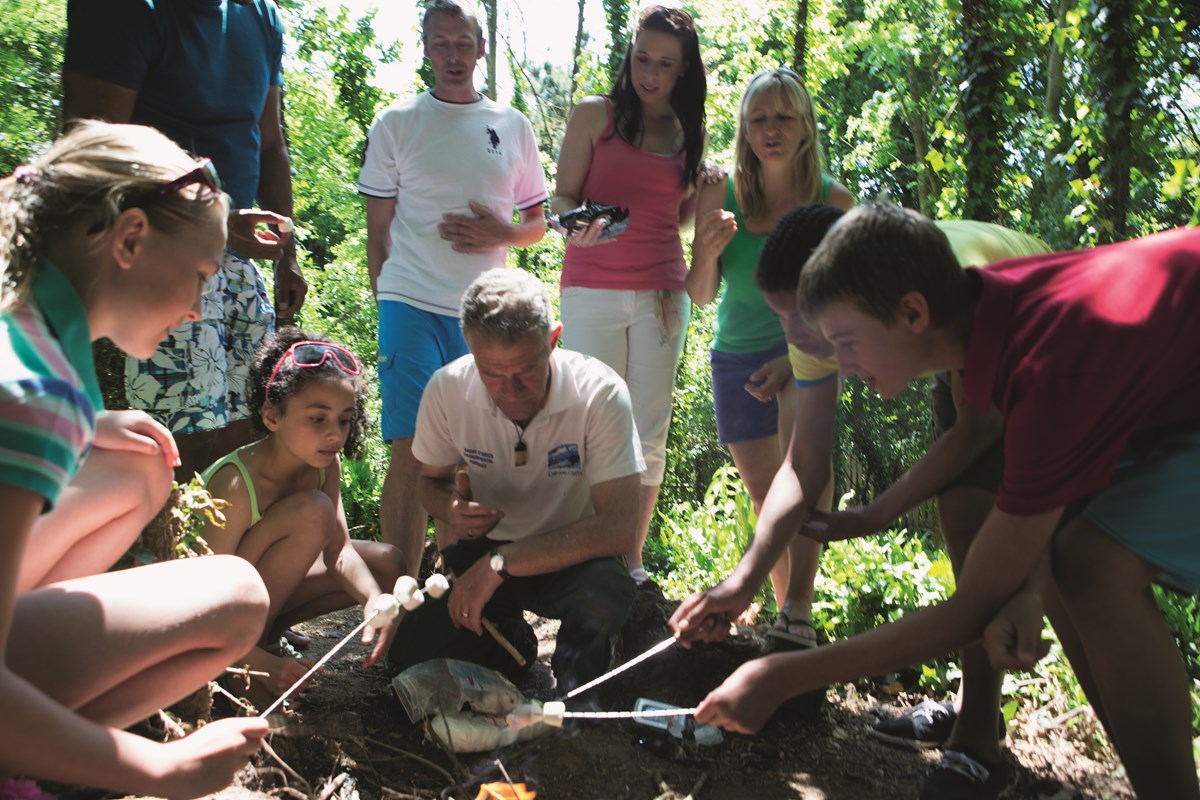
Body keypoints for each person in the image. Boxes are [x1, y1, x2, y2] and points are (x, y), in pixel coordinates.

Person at [692, 202, 1200, 800]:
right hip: (1163, 398)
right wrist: (880, 517)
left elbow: (972, 606)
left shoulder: (1042, 360)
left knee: (1094, 566)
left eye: (847, 343)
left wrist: (783, 677)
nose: (843, 368)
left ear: (912, 312)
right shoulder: (989, 320)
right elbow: (1005, 461)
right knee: (1079, 563)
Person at [672, 204, 1051, 799]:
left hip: (1024, 335)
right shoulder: (820, 328)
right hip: (949, 349)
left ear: (836, 283)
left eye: (801, 317)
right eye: (783, 319)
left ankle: (977, 736)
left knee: (1005, 544)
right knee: (962, 520)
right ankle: (976, 707)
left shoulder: (938, 283)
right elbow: (803, 463)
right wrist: (742, 582)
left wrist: (883, 512)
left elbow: (981, 431)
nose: (793, 337)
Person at [0, 121, 272, 797]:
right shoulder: (35, 394)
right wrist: (159, 768)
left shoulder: (24, 333)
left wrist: (92, 424)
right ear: (129, 239)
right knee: (238, 595)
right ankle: (36, 763)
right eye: (201, 275)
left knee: (141, 464)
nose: (195, 308)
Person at [62, 0, 307, 483]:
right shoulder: (125, 12)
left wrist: (287, 256)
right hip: (160, 255)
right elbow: (88, 160)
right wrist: (212, 223)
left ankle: (236, 554)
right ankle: (179, 551)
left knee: (260, 426)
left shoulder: (261, 15)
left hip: (241, 262)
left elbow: (271, 141)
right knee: (185, 434)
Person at [359, 0, 547, 578]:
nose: (452, 55)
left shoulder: (512, 126)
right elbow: (377, 229)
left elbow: (538, 224)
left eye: (462, 43)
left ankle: (455, 590)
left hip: (484, 314)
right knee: (412, 453)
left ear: (480, 47)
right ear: (425, 48)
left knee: (472, 458)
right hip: (410, 303)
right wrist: (384, 296)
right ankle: (397, 597)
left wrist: (502, 232)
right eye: (440, 43)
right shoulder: (397, 122)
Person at [388, 268, 643, 693]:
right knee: (409, 654)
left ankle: (580, 690)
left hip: (570, 554)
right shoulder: (447, 389)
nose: (510, 391)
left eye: (526, 371)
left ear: (553, 340)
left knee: (607, 591)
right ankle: (511, 644)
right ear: (470, 351)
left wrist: (500, 564)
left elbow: (618, 527)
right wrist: (451, 508)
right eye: (491, 373)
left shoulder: (599, 392)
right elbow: (429, 483)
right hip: (484, 551)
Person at [685, 68, 853, 646]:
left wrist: (794, 360)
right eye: (759, 118)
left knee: (802, 480)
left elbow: (847, 303)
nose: (771, 129)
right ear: (744, 129)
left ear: (805, 126)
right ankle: (788, 618)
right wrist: (704, 254)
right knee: (763, 493)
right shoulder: (720, 190)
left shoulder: (833, 200)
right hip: (736, 355)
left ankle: (799, 611)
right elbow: (701, 294)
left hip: (808, 352)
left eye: (783, 117)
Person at [551, 4, 707, 582]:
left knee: (648, 429)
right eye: (643, 58)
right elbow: (561, 199)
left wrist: (708, 186)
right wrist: (579, 224)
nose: (650, 73)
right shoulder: (595, 115)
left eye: (665, 64)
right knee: (589, 421)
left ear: (683, 70)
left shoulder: (688, 131)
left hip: (664, 292)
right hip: (592, 286)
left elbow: (681, 216)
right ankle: (582, 552)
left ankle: (629, 562)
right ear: (630, 56)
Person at [200, 329, 407, 699]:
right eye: (317, 419)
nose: (335, 435)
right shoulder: (234, 484)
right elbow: (201, 605)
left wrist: (374, 598)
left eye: (344, 420)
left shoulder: (325, 464)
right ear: (272, 416)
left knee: (388, 565)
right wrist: (257, 663)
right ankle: (242, 660)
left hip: (261, 600)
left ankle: (267, 635)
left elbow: (339, 551)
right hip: (213, 624)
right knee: (313, 510)